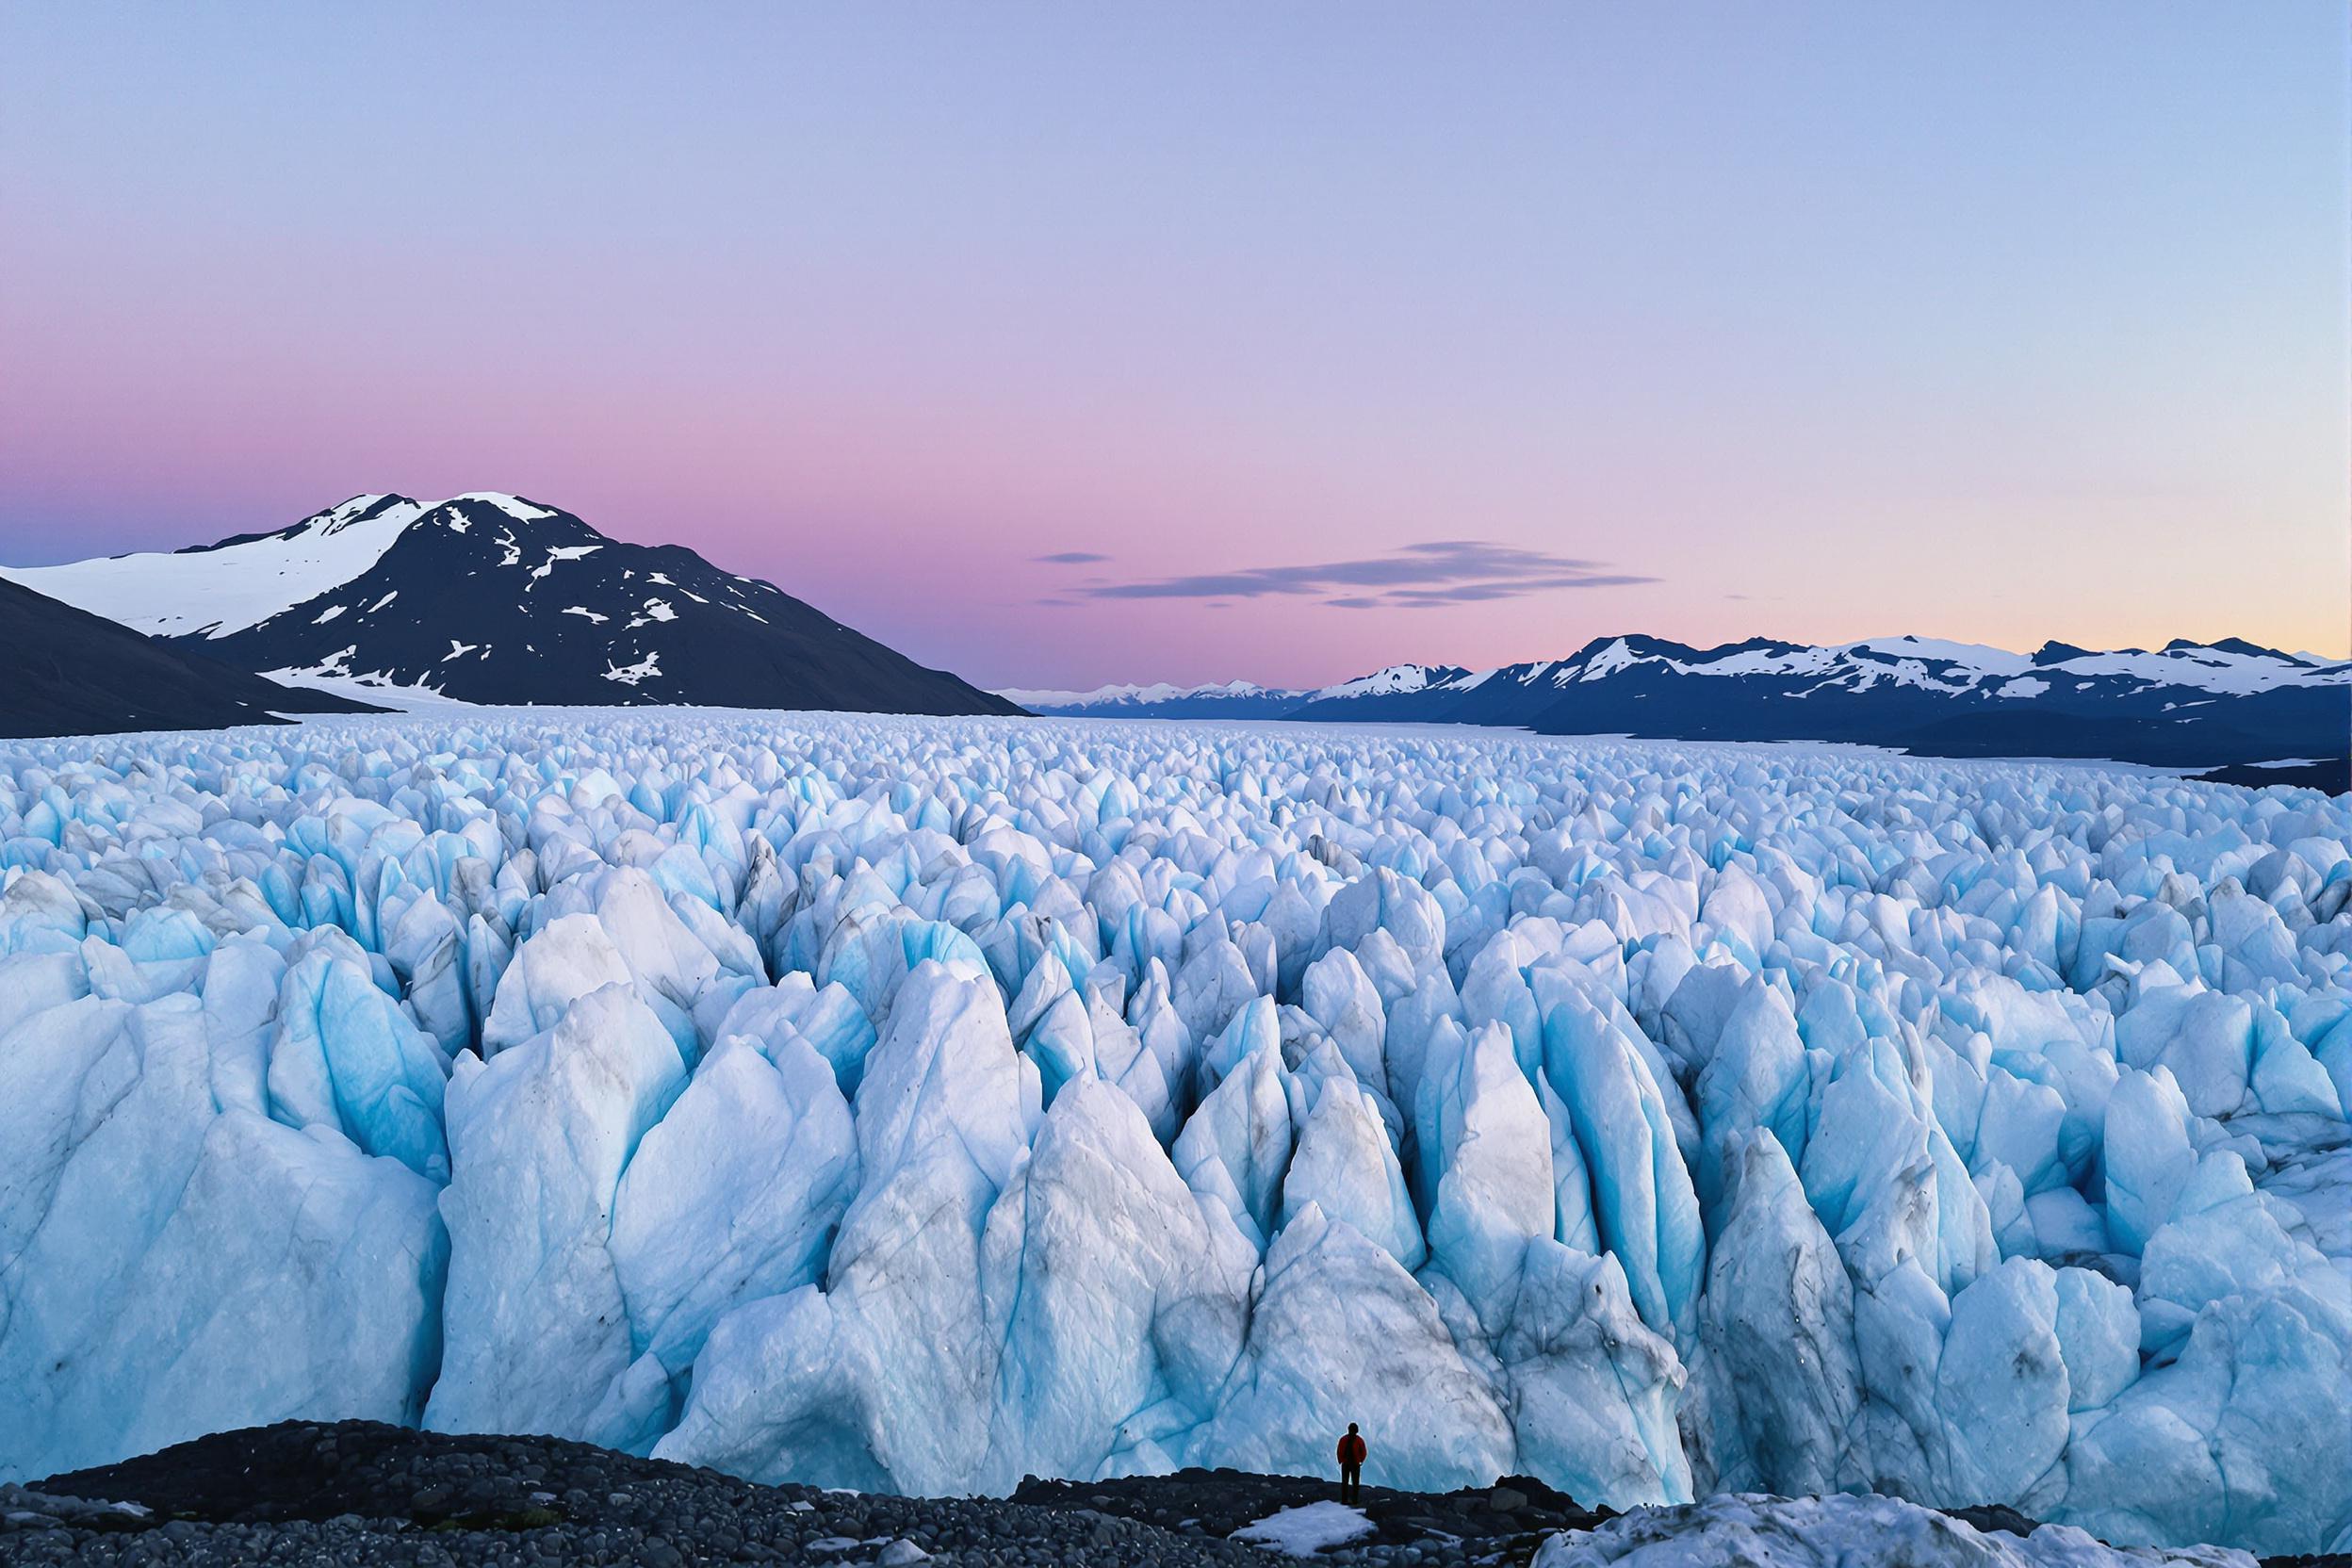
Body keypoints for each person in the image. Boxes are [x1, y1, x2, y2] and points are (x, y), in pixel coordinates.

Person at [1336, 1422, 1366, 1504]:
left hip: (1347, 1463)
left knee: (1345, 1482)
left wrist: (1340, 1460)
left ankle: (1344, 1500)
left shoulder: (1343, 1439)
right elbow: (1363, 1452)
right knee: (1355, 1483)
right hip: (1354, 1464)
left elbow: (1339, 1451)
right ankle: (1354, 1500)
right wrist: (1360, 1461)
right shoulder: (1359, 1440)